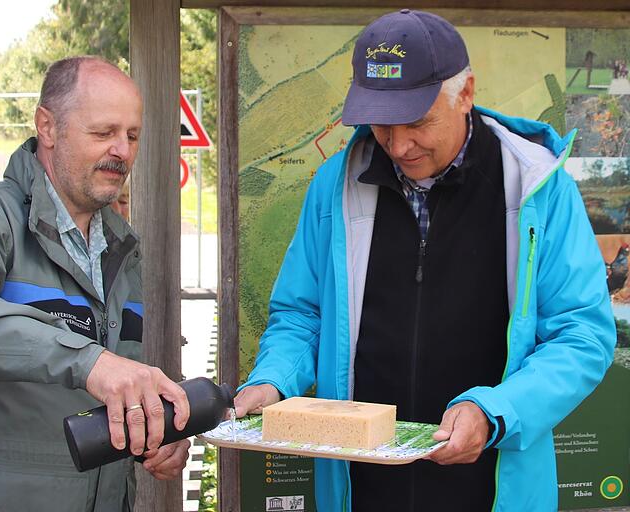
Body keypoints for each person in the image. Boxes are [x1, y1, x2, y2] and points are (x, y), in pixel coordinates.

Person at [234, 10, 615, 512]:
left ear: (466, 93)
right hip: (358, 491)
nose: (397, 144)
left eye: (416, 121)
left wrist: (495, 411)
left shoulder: (537, 187)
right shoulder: (334, 184)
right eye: (382, 122)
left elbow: (582, 334)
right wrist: (273, 379)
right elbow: (303, 314)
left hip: (494, 487)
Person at [0, 56, 191, 511]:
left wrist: (157, 433)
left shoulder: (124, 251)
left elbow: (120, 383)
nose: (123, 151)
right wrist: (89, 361)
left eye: (132, 135)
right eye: (103, 132)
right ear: (47, 127)